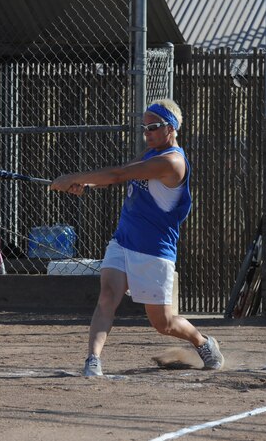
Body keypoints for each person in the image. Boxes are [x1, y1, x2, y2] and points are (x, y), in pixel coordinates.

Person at [50, 98, 224, 376]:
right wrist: (83, 183)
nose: (147, 133)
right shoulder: (149, 154)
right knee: (107, 296)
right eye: (144, 128)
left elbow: (120, 174)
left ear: (171, 128)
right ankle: (92, 359)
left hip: (154, 250)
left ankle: (202, 342)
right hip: (123, 240)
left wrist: (73, 176)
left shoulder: (171, 161)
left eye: (153, 127)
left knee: (163, 323)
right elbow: (118, 173)